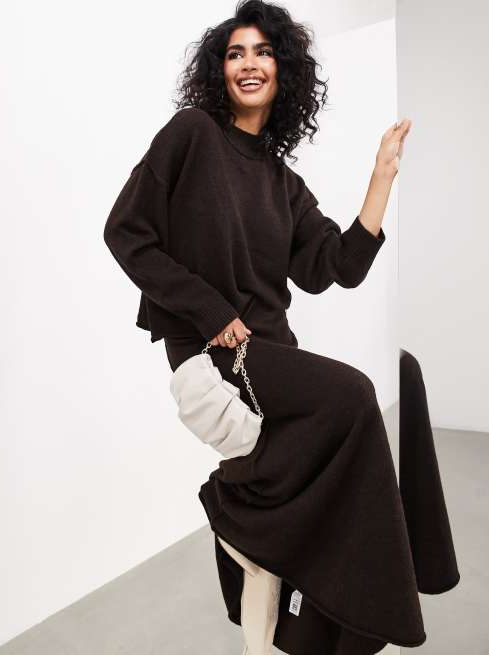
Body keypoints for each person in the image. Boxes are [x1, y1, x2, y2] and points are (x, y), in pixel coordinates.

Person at [103, 2, 424, 654]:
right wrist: (210, 310)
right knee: (354, 394)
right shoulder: (192, 134)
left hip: (270, 354)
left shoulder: (282, 181)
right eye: (235, 53)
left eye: (263, 52)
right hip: (212, 352)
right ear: (218, 70)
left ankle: (279, 594)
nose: (248, 64)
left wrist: (380, 179)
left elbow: (336, 267)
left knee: (284, 541)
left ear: (284, 70)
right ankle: (235, 507)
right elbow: (125, 232)